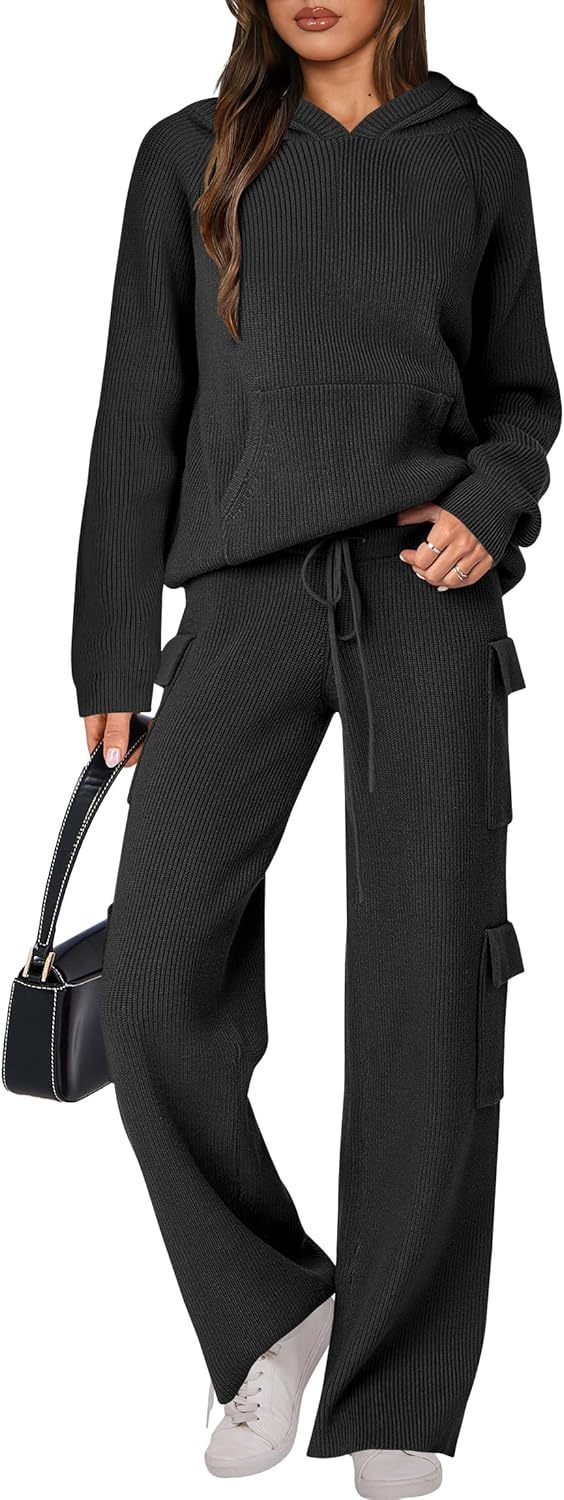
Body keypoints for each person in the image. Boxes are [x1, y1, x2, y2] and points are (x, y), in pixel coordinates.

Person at [70, 3, 560, 1496]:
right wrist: (109, 642)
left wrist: (488, 502)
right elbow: (138, 403)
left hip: (423, 592)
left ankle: (399, 1387)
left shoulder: (474, 155)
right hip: (242, 597)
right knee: (150, 980)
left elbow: (521, 396)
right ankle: (274, 1312)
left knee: (428, 983)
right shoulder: (190, 155)